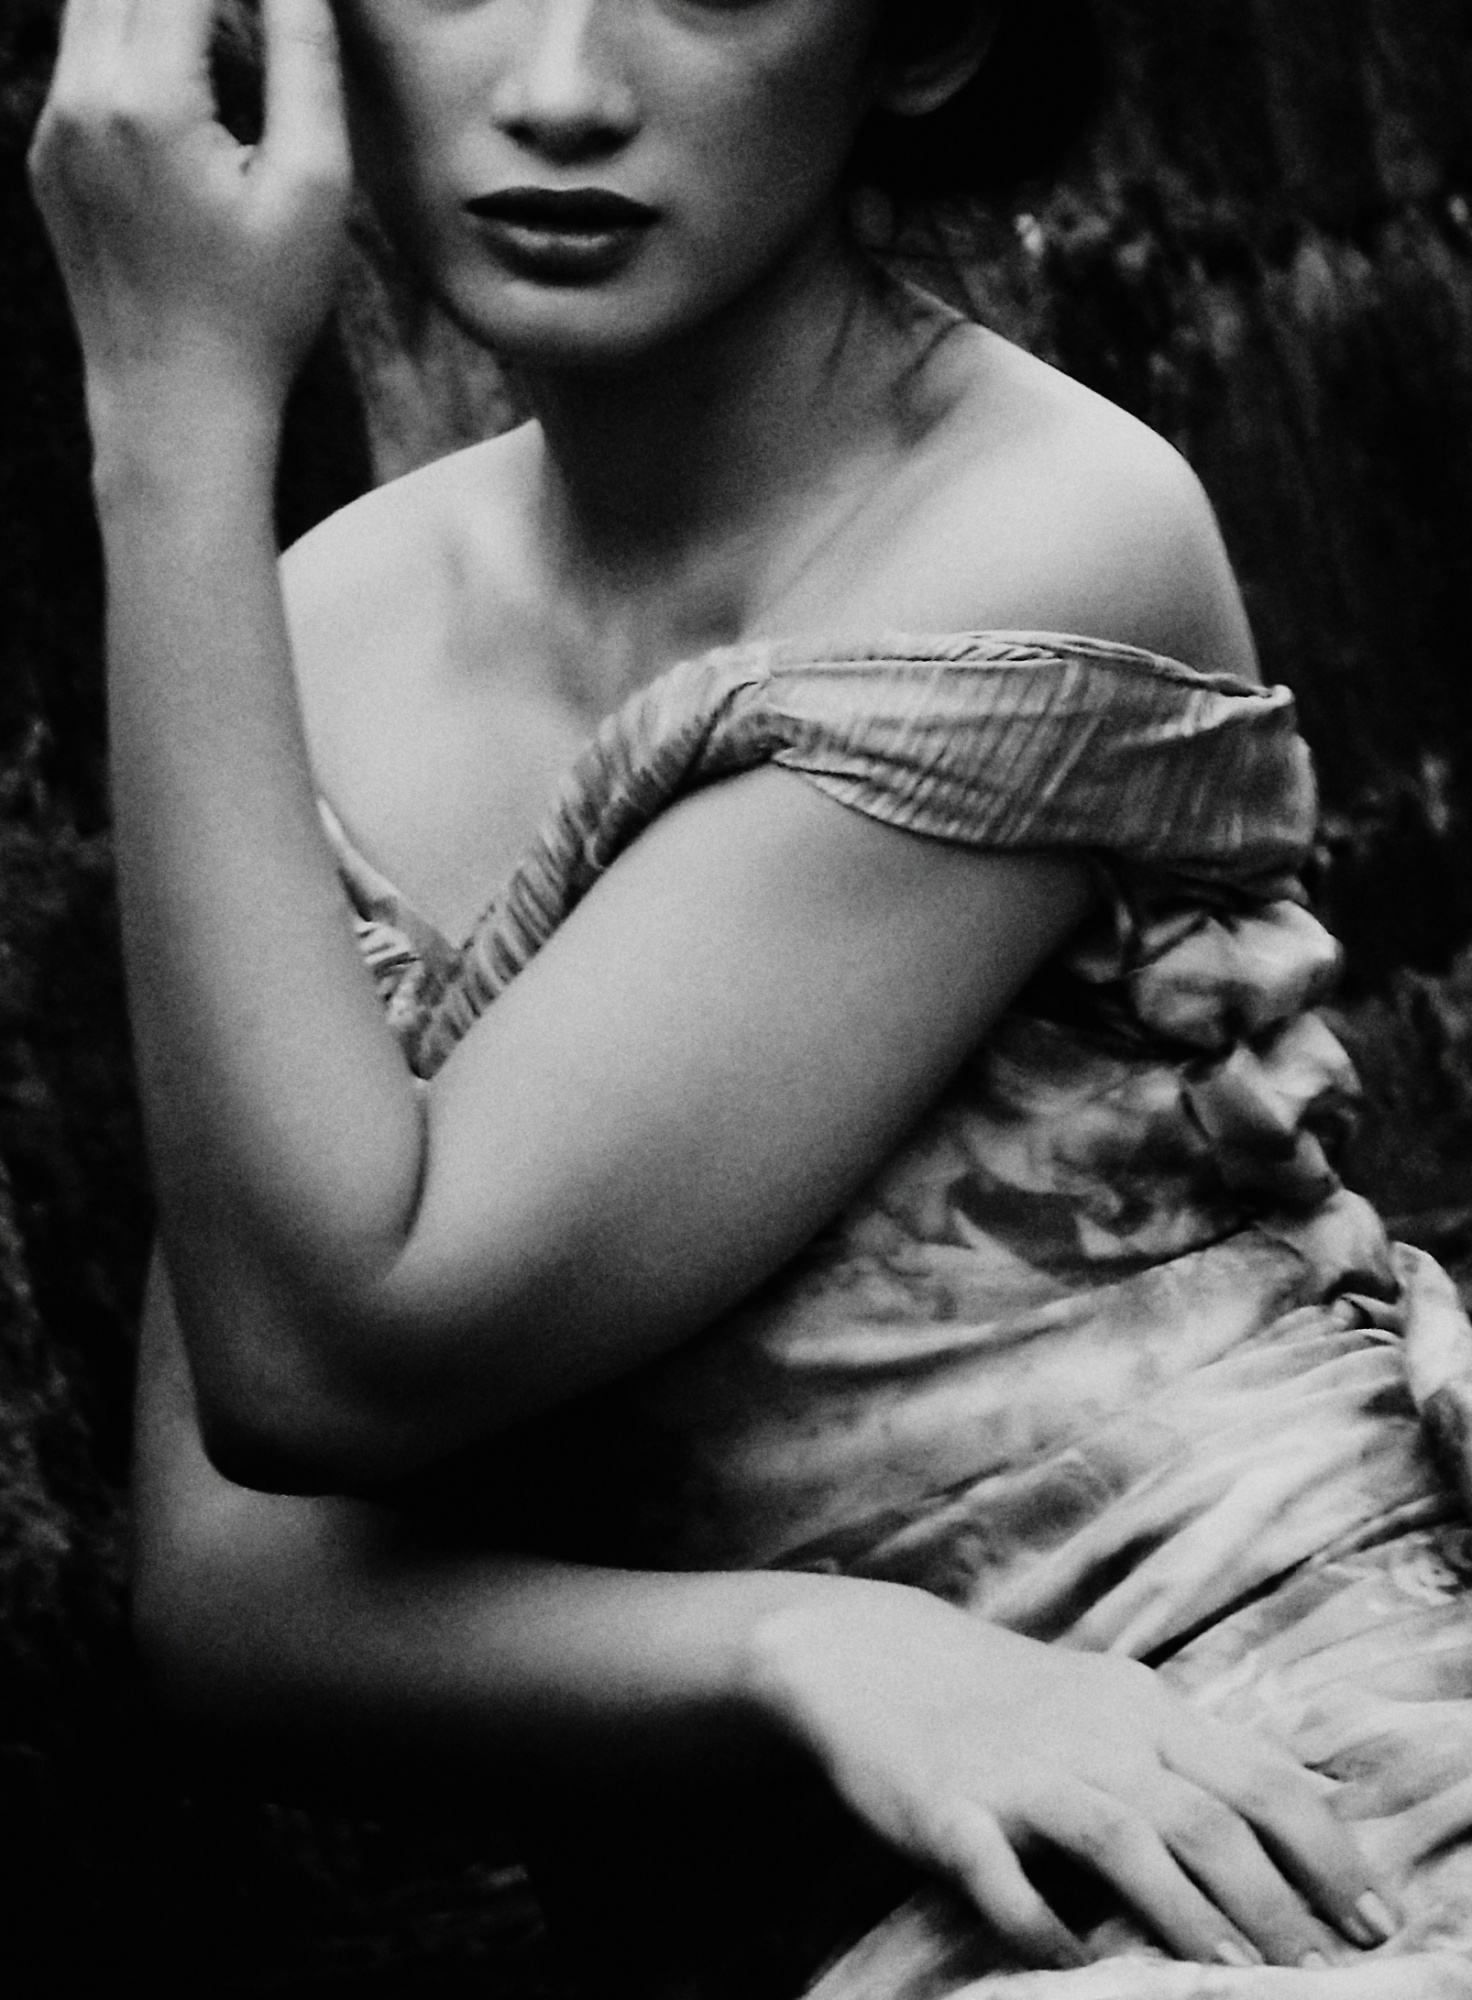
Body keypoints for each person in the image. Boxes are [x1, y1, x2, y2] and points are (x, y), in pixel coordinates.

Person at [27, 0, 1472, 1992]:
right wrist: (813, 1650)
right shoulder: (311, 629)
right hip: (843, 1893)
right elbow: (236, 1606)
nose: (558, 89)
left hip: (1281, 1782)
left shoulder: (1045, 529)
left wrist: (173, 415)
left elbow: (330, 1357)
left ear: (923, 36)